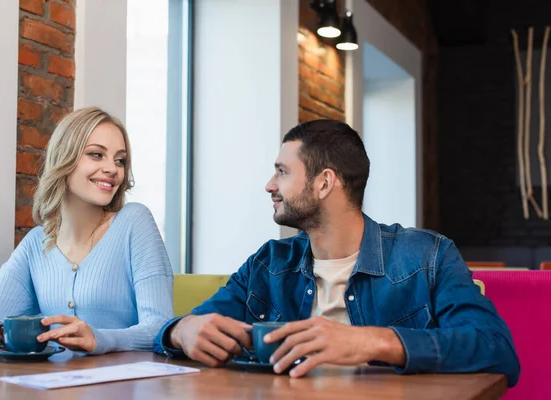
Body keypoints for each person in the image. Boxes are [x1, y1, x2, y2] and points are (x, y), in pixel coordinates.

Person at [153, 119, 520, 387]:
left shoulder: (427, 256)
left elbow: (496, 347)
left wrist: (372, 341)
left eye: (282, 171)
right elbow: (195, 327)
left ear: (324, 182)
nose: (269, 185)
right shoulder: (269, 264)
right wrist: (180, 330)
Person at [0, 107, 174, 355]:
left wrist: (99, 339)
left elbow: (161, 329)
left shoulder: (134, 222)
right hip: (56, 389)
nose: (112, 169)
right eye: (96, 155)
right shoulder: (37, 243)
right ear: (65, 159)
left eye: (120, 160)